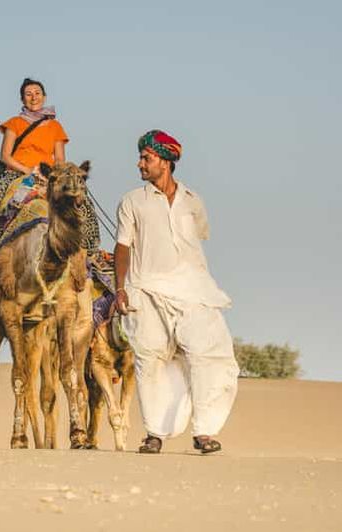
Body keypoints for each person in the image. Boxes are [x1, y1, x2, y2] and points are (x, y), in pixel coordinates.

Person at [113, 130, 239, 454]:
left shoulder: (193, 200)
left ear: (165, 162)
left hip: (194, 290)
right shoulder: (131, 201)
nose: (140, 163)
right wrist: (120, 288)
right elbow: (122, 247)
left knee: (210, 356)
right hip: (146, 289)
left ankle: (204, 432)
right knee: (150, 359)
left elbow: (199, 238)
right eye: (141, 157)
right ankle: (154, 433)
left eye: (147, 158)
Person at [0, 78, 100, 275]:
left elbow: (60, 159)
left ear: (44, 96)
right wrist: (28, 171)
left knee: (83, 204)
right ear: (22, 99)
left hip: (48, 177)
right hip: (16, 173)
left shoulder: (55, 126)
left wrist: (52, 176)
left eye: (37, 93)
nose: (33, 97)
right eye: (29, 94)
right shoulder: (15, 123)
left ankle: (93, 254)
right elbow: (5, 156)